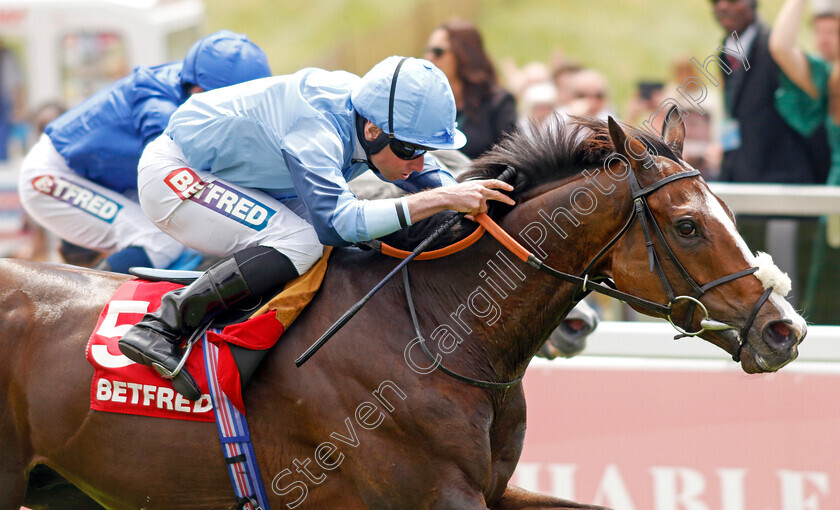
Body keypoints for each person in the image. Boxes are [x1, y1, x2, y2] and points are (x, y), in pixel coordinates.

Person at [118, 55, 516, 400]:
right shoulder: (318, 129)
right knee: (303, 242)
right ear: (373, 130)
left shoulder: (369, 117)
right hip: (176, 176)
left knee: (330, 242)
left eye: (424, 150)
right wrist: (440, 200)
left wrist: (463, 194)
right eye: (410, 149)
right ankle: (163, 326)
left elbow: (425, 174)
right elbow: (338, 224)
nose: (417, 162)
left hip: (236, 176)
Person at [18, 30, 271, 273]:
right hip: (52, 176)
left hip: (100, 178)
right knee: (159, 243)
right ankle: (85, 310)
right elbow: (180, 174)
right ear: (198, 91)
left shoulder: (192, 86)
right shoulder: (159, 108)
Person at [769, 0, 840, 318]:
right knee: (828, 305)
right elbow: (781, 46)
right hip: (836, 207)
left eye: (834, 32)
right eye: (820, 32)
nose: (824, 39)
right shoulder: (828, 76)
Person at [711, 0, 829, 183]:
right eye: (715, 1)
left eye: (733, 0)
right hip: (740, 177)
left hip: (784, 180)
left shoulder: (776, 51)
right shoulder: (726, 53)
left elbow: (781, 47)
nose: (723, 6)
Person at [424, 20, 517, 159]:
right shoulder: (426, 102)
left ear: (464, 54)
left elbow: (510, 159)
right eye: (427, 51)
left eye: (438, 52)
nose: (428, 58)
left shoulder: (497, 102)